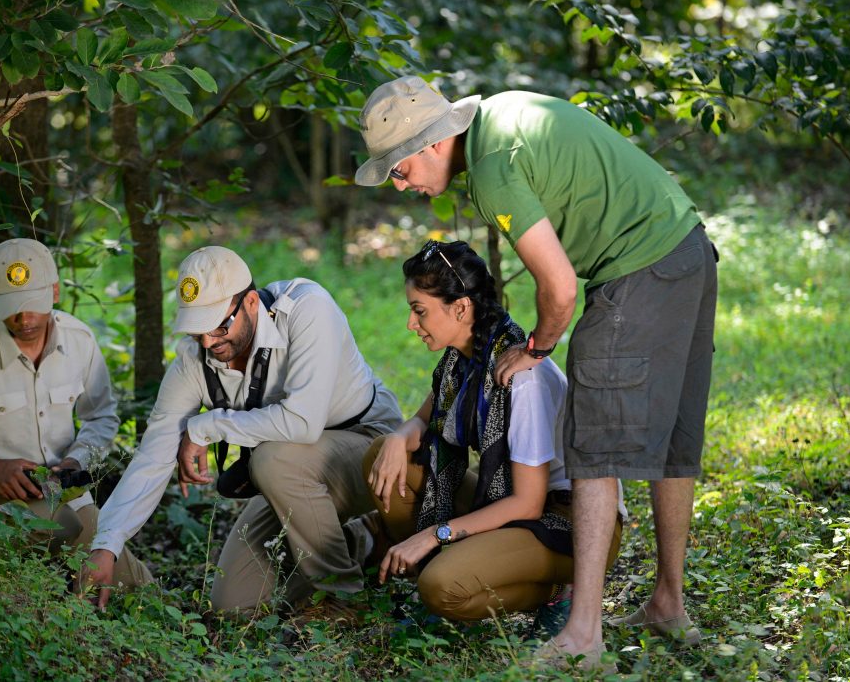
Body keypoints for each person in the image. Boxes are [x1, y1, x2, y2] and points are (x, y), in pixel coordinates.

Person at [355, 77, 718, 668]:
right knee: (674, 438)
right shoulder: (503, 120)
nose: (402, 186)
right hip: (686, 246)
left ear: (427, 144)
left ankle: (583, 633)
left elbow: (560, 286)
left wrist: (538, 349)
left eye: (398, 171)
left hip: (637, 267)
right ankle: (668, 605)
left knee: (594, 447)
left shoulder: (494, 164)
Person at [83, 246, 403, 615]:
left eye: (219, 324)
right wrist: (105, 546)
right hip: (295, 479)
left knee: (272, 460)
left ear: (251, 302)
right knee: (232, 605)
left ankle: (344, 600)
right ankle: (363, 538)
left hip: (371, 452)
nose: (208, 342)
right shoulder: (195, 360)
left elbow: (302, 422)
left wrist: (205, 426)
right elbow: (153, 456)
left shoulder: (307, 309)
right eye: (196, 330)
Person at [364, 240, 625, 623]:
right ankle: (470, 564)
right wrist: (398, 437)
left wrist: (435, 533)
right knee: (386, 456)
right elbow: (421, 421)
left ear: (460, 307)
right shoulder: (462, 359)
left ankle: (558, 590)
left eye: (419, 311)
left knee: (441, 588)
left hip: (568, 521)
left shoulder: (520, 377)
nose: (411, 324)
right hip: (511, 503)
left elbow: (528, 504)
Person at [0, 238, 152, 589]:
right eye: (12, 306)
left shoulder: (79, 340)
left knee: (129, 579)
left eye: (33, 304)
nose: (24, 317)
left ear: (55, 292)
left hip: (64, 491)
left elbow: (102, 417)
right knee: (65, 524)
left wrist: (77, 460)